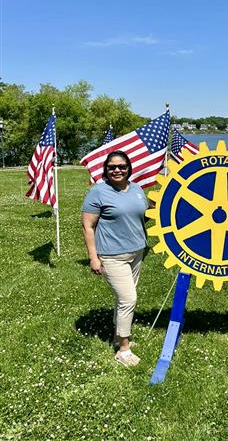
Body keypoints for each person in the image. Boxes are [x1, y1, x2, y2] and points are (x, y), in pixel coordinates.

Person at [82, 151, 148, 367]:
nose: (117, 170)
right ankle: (123, 350)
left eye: (121, 166)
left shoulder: (137, 189)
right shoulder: (98, 192)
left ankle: (117, 337)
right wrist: (93, 258)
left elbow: (142, 214)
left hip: (137, 253)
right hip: (112, 256)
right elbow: (88, 226)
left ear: (129, 168)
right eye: (112, 167)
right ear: (106, 169)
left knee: (124, 299)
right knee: (128, 299)